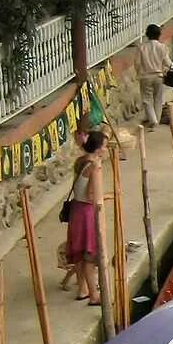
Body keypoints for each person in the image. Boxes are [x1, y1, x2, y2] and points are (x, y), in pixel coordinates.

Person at [65, 131, 105, 305]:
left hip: (76, 209)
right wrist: (105, 197)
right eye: (104, 145)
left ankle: (83, 290)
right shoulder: (94, 166)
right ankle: (94, 296)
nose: (105, 149)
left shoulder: (80, 161)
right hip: (87, 212)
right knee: (89, 255)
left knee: (80, 253)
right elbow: (91, 195)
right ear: (97, 148)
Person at [136, 24, 170, 130]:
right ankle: (156, 121)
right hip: (158, 76)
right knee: (158, 99)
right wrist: (168, 70)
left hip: (145, 76)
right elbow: (167, 62)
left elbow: (137, 63)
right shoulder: (162, 47)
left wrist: (139, 72)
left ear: (147, 34)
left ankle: (153, 120)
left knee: (147, 99)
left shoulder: (141, 47)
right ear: (159, 35)